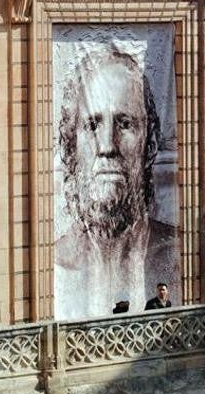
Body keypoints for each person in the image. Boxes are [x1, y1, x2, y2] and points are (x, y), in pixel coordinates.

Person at [53, 47, 178, 319]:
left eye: (124, 123)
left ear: (151, 141)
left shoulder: (175, 254)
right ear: (70, 147)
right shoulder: (55, 264)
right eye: (92, 125)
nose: (107, 146)